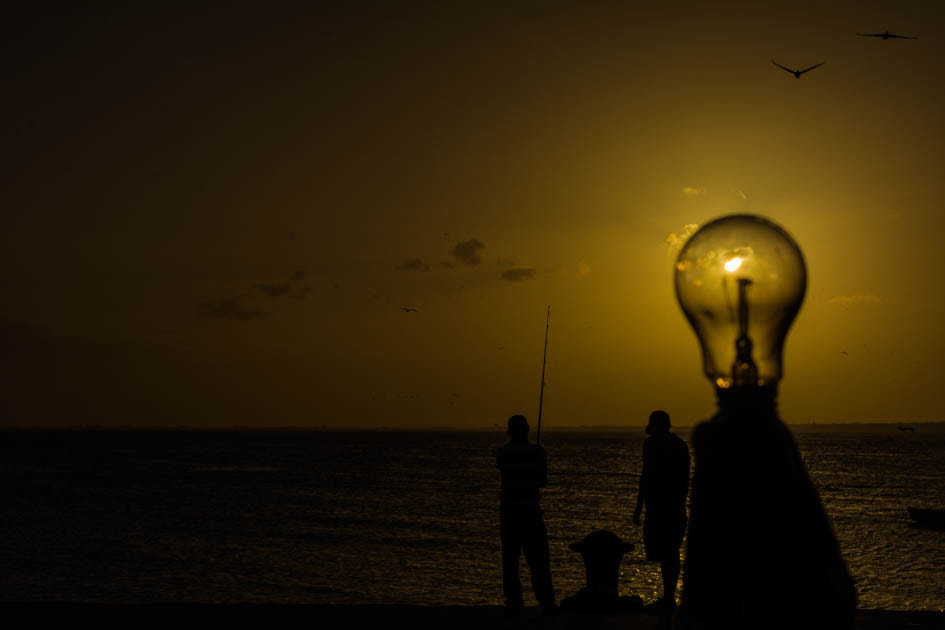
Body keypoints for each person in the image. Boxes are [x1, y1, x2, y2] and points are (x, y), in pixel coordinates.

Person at [495, 414, 556, 615]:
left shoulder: (503, 454)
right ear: (527, 430)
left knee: (510, 560)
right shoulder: (537, 452)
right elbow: (542, 481)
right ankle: (546, 601)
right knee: (539, 560)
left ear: (509, 432)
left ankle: (513, 601)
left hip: (509, 513)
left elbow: (503, 463)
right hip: (530, 512)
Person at [633, 409, 690, 612]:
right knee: (670, 553)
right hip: (672, 508)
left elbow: (646, 476)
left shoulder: (651, 445)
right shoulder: (680, 446)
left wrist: (639, 508)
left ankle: (668, 598)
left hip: (661, 509)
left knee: (668, 554)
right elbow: (684, 482)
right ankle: (668, 597)